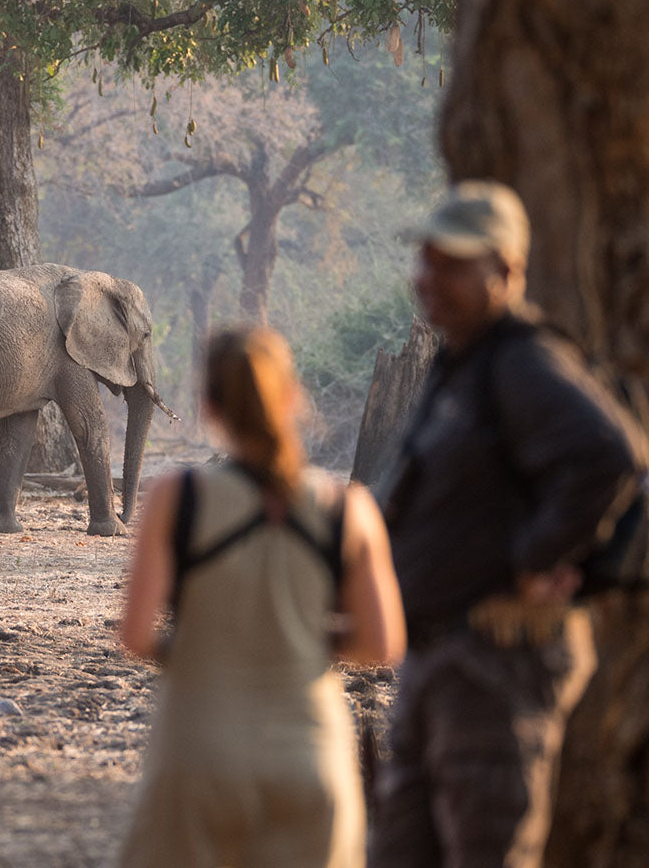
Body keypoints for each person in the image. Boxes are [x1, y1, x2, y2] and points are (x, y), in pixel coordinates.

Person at [370, 181, 646, 868]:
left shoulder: (524, 360)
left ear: (508, 272)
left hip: (493, 664)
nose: (428, 280)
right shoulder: (463, 362)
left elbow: (608, 456)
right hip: (435, 656)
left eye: (452, 265)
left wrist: (533, 559)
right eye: (426, 261)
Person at [117, 325, 405, 868]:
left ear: (208, 408)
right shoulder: (350, 510)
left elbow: (135, 635)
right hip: (311, 759)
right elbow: (382, 642)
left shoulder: (176, 499)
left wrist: (211, 639)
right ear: (294, 398)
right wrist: (298, 636)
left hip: (200, 753)